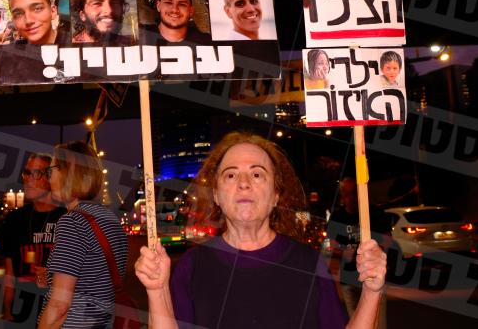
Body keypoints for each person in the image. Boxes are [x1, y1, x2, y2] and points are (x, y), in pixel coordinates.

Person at [135, 132, 387, 329]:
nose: (244, 184)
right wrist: (157, 291)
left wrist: (372, 291)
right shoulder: (192, 266)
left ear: (276, 195)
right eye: (231, 175)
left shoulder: (308, 262)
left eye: (257, 174)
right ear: (217, 195)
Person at [38, 141, 128, 329]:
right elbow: (97, 277)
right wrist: (53, 277)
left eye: (51, 170)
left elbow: (59, 306)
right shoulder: (111, 219)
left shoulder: (72, 222)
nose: (48, 177)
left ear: (68, 173)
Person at [0, 154, 67, 324]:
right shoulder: (14, 220)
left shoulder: (68, 218)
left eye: (35, 174)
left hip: (58, 317)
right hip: (21, 315)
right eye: (26, 173)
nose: (28, 179)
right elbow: (9, 273)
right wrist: (7, 311)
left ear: (51, 178)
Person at [327, 178, 391, 329]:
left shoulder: (374, 213)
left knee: (378, 324)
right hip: (348, 281)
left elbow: (388, 239)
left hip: (373, 278)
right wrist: (343, 252)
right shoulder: (337, 217)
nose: (352, 198)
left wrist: (377, 251)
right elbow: (328, 245)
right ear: (342, 197)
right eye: (347, 194)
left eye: (355, 193)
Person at [142, 0, 210, 45]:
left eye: (182, 4)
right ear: (158, 6)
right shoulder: (141, 35)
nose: (174, 9)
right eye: (168, 2)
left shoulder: (206, 42)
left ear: (191, 11)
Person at [0, 0, 68, 46]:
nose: (28, 21)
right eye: (18, 14)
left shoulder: (71, 44)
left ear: (53, 11)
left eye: (37, 9)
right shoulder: (12, 53)